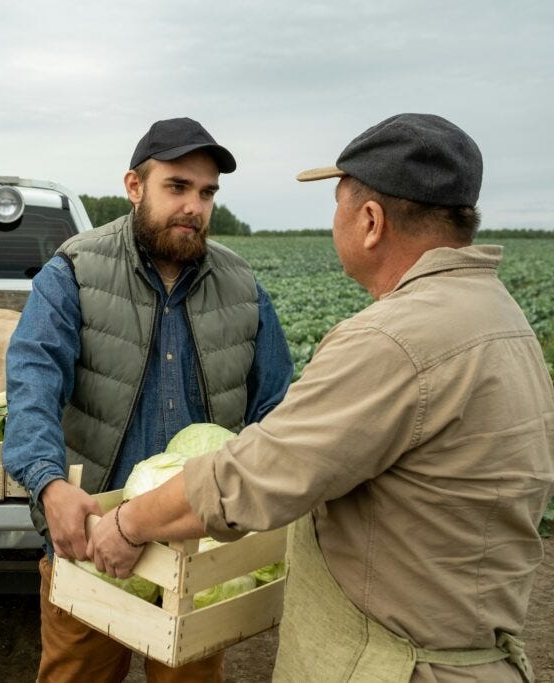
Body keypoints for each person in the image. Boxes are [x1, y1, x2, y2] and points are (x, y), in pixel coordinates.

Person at [88, 113, 554, 682]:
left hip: (395, 664)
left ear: (371, 221)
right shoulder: (503, 319)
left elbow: (253, 475)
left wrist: (129, 523)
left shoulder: (394, 339)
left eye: (338, 203)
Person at [3, 117, 294, 682]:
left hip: (199, 548)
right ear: (135, 186)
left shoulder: (242, 286)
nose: (194, 206)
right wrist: (50, 483)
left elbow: (276, 409)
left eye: (207, 193)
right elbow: (32, 388)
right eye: (177, 187)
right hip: (90, 539)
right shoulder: (74, 273)